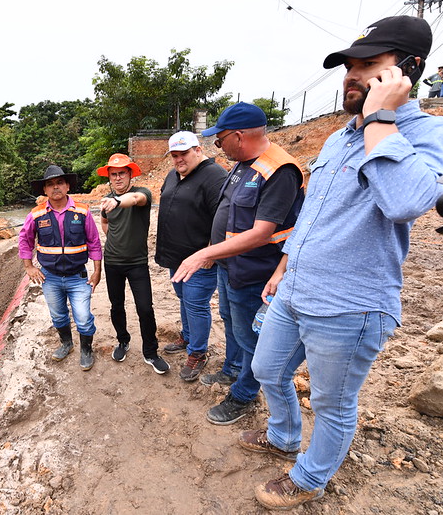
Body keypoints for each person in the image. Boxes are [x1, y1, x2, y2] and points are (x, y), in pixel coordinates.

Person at [243, 15, 443, 510]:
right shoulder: (340, 136)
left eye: (369, 65)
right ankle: (283, 436)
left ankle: (310, 477)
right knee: (267, 369)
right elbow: (315, 215)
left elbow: (404, 202)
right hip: (297, 289)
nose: (352, 75)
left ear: (409, 69)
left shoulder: (433, 132)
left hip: (350, 305)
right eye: (349, 66)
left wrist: (382, 119)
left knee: (332, 402)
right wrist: (283, 267)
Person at [172, 102, 304, 425]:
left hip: (256, 272)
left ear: (239, 136)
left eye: (220, 139)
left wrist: (206, 254)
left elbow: (262, 233)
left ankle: (245, 393)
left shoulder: (279, 171)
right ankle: (232, 369)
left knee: (250, 336)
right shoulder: (243, 164)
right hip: (230, 268)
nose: (217, 146)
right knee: (230, 322)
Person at [155, 131, 228, 381]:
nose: (178, 159)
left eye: (183, 153)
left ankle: (198, 352)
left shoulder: (214, 176)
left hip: (199, 259)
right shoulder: (174, 174)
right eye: (174, 155)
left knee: (196, 304)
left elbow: (223, 216)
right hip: (176, 256)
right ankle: (187, 337)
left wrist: (210, 252)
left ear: (198, 150)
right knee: (183, 298)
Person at [18, 165, 102, 370]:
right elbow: (25, 240)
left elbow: (94, 241)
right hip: (50, 277)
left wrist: (98, 271)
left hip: (77, 276)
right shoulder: (36, 214)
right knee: (58, 315)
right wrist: (29, 267)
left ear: (67, 186)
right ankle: (66, 343)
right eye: (50, 184)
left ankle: (86, 349)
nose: (55, 187)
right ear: (45, 190)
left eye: (59, 183)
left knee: (83, 317)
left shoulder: (82, 211)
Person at [98, 153, 169, 374]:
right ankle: (123, 341)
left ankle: (150, 352)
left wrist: (118, 200)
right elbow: (104, 221)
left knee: (145, 308)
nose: (118, 178)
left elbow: (135, 200)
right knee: (116, 306)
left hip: (137, 263)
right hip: (112, 262)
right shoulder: (107, 202)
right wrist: (114, 238)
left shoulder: (141, 194)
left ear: (130, 175)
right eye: (114, 174)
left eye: (122, 173)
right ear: (109, 177)